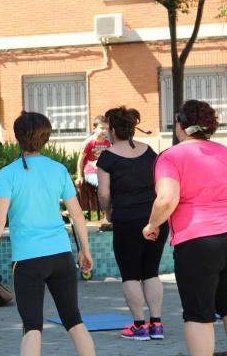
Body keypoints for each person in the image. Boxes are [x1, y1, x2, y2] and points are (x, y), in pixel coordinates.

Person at [0, 111, 95, 356]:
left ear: (18, 137)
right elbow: (77, 215)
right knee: (74, 321)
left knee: (32, 327)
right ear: (46, 138)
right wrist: (85, 249)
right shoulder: (58, 169)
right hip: (61, 256)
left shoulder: (8, 173)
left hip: (28, 260)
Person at [143, 100, 227, 355]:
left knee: (198, 314)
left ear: (180, 125)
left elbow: (167, 198)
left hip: (198, 242)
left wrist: (152, 224)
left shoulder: (171, 156)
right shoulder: (224, 151)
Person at [96, 106, 168, 341]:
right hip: (155, 220)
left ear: (114, 129)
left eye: (108, 128)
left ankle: (139, 326)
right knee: (151, 272)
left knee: (130, 275)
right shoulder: (150, 152)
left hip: (127, 221)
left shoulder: (107, 157)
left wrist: (108, 213)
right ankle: (156, 325)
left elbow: (104, 194)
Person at [75, 116, 110, 187]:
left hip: (103, 172)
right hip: (91, 172)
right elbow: (80, 160)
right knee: (102, 184)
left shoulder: (108, 143)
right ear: (94, 129)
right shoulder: (89, 142)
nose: (105, 131)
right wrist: (79, 176)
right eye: (102, 128)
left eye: (107, 129)